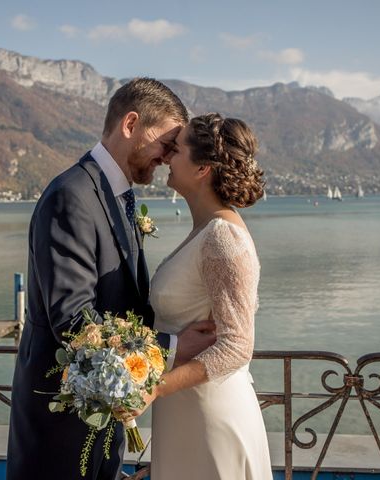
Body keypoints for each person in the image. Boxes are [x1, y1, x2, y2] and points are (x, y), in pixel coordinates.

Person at [6, 78, 216, 480]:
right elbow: (73, 320)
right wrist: (173, 346)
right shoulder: (71, 196)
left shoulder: (116, 196)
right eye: (167, 142)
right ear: (131, 124)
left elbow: (125, 303)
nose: (169, 156)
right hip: (61, 433)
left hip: (103, 418)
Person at [127, 113, 273, 479]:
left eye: (176, 149)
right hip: (185, 414)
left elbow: (237, 346)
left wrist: (154, 389)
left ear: (202, 168)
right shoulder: (205, 231)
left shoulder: (224, 238)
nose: (166, 157)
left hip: (211, 417)